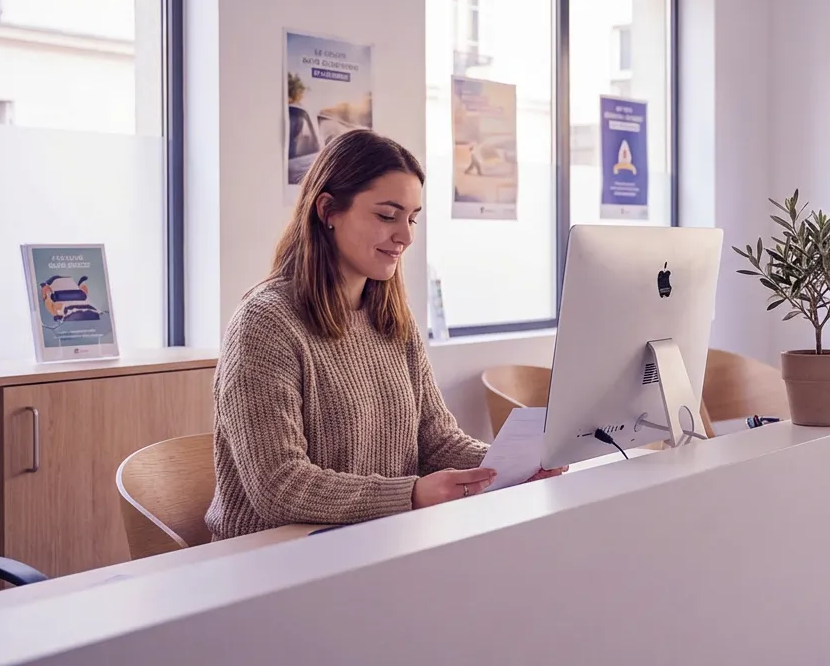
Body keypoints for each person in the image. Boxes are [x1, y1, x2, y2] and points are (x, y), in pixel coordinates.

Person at [205, 129, 562, 541]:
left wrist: (515, 464)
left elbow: (437, 442)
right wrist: (410, 494)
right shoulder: (265, 323)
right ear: (327, 211)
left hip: (376, 540)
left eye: (412, 218)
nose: (406, 236)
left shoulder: (391, 318)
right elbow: (280, 486)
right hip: (274, 557)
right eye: (387, 216)